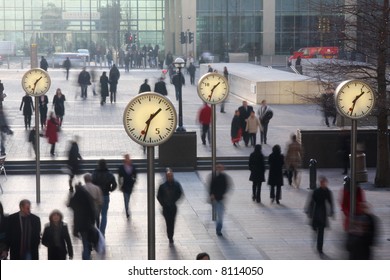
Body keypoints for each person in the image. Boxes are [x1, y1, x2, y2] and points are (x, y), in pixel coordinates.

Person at [305, 176, 334, 255]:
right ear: (320, 183)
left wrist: (332, 211)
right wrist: (309, 211)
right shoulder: (316, 191)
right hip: (316, 212)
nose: (324, 184)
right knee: (315, 228)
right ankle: (315, 236)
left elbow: (330, 202)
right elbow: (311, 202)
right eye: (323, 183)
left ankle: (319, 248)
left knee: (321, 231)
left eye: (325, 183)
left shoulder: (327, 191)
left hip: (323, 213)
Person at [67, 182, 96, 260]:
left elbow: (69, 205)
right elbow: (92, 211)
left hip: (80, 224)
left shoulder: (76, 197)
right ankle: (86, 256)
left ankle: (86, 256)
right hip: (88, 223)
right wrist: (93, 222)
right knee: (87, 240)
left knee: (84, 241)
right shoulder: (87, 196)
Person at [92, 159, 117, 236]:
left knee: (96, 214)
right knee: (104, 215)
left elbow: (92, 183)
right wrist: (110, 189)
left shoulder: (95, 173)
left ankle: (97, 228)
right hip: (105, 195)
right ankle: (102, 232)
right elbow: (115, 184)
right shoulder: (109, 174)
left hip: (96, 196)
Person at [157, 168, 183, 244]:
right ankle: (170, 235)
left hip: (173, 207)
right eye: (168, 176)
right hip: (166, 208)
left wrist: (175, 200)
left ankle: (171, 235)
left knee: (172, 222)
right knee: (168, 222)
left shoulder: (176, 184)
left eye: (171, 176)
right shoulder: (162, 186)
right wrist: (163, 203)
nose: (170, 177)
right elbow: (159, 196)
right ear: (166, 176)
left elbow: (180, 193)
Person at [209, 164, 231, 236]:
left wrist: (223, 193)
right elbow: (211, 187)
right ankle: (218, 229)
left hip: (220, 198)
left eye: (221, 168)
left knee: (220, 215)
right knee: (220, 215)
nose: (221, 169)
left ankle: (219, 229)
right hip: (216, 199)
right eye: (219, 168)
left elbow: (227, 186)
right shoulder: (214, 177)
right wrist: (212, 195)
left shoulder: (224, 177)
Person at [118, 154, 138, 219]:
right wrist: (120, 184)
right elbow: (119, 176)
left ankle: (127, 207)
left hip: (130, 185)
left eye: (128, 158)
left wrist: (134, 181)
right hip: (124, 186)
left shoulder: (133, 166)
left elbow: (135, 175)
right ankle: (127, 210)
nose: (128, 159)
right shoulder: (121, 167)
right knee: (126, 199)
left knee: (128, 198)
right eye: (126, 158)